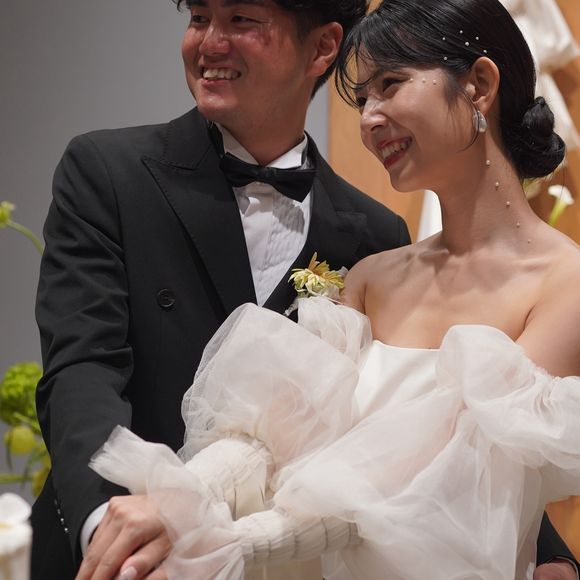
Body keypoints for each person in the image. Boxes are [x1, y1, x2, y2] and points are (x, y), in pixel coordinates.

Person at [86, 0, 580, 579]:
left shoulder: (564, 285)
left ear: (479, 84)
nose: (369, 119)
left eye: (390, 85)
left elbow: (435, 479)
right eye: (362, 98)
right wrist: (178, 499)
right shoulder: (374, 276)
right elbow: (278, 433)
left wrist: (235, 541)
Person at [31, 1, 412, 579]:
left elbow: (414, 412)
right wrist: (110, 525)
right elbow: (82, 369)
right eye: (199, 17)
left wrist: (546, 554)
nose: (208, 43)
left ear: (321, 48)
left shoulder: (378, 237)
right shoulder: (107, 172)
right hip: (111, 554)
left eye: (241, 20)